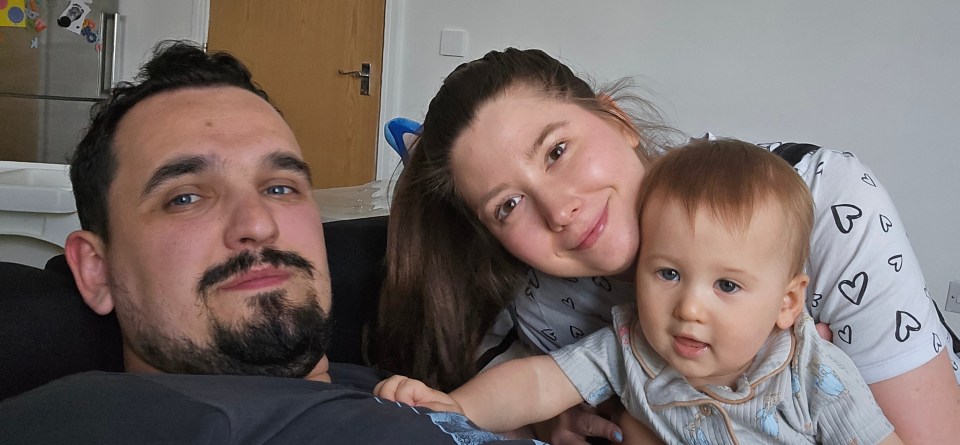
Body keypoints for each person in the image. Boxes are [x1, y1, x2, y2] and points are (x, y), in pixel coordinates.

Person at [373, 47, 960, 444]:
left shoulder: (826, 206)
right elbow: (535, 384)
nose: (559, 211)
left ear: (618, 120)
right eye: (508, 205)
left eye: (557, 150)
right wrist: (461, 411)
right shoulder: (559, 306)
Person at [0, 40, 538, 445]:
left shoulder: (391, 389)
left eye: (280, 187)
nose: (258, 223)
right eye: (186, 197)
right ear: (95, 271)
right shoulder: (124, 422)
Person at [377, 139, 904, 444]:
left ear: (787, 302)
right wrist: (451, 407)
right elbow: (536, 386)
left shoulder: (813, 371)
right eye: (668, 274)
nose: (689, 308)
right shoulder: (629, 346)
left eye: (727, 285)